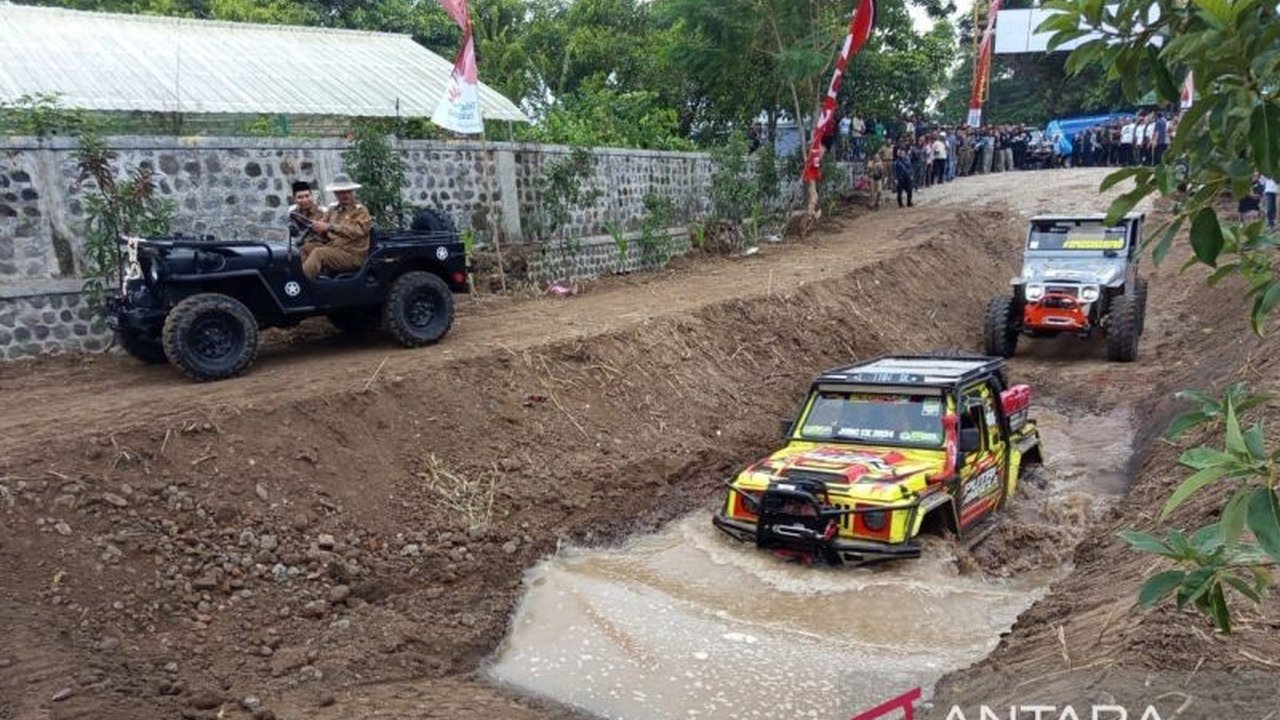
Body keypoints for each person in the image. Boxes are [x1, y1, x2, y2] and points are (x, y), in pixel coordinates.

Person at [301, 175, 372, 281]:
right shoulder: (333, 209)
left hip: (352, 255)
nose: (346, 195)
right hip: (335, 249)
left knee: (319, 253)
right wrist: (315, 227)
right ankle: (309, 277)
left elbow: (358, 231)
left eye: (348, 191)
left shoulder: (360, 211)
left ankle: (302, 284)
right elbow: (322, 224)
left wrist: (330, 227)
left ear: (352, 192)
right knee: (306, 247)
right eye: (341, 192)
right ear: (335, 194)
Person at [288, 180, 326, 245]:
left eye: (307, 196)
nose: (305, 200)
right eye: (300, 197)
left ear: (312, 196)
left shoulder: (323, 212)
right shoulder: (292, 214)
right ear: (294, 199)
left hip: (317, 245)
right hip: (297, 246)